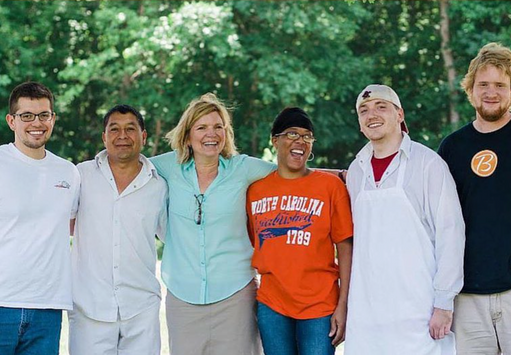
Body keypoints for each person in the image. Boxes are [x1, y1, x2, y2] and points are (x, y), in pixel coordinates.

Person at [151, 93, 276, 354]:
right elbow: (127, 168)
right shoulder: (167, 167)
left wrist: (342, 177)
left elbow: (291, 173)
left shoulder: (242, 168)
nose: (212, 133)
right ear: (187, 136)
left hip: (235, 296)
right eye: (202, 127)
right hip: (182, 298)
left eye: (218, 126)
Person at [344, 84, 465, 354]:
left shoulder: (428, 164)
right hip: (368, 315)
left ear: (400, 114)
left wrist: (444, 303)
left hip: (419, 311)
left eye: (381, 107)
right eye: (363, 110)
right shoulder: (356, 170)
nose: (371, 114)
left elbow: (451, 233)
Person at [438, 42, 511, 354]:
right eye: (483, 85)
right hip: (466, 296)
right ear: (470, 89)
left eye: (499, 85)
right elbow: (437, 221)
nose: (491, 92)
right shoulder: (452, 148)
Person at [246, 107, 353, 355]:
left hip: (320, 305)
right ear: (275, 140)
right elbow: (256, 241)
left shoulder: (330, 186)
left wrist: (343, 305)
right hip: (272, 304)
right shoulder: (256, 191)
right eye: (292, 134)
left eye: (307, 136)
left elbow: (345, 248)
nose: (300, 141)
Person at [68, 105, 167, 354]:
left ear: (143, 136)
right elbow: (64, 224)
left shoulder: (159, 185)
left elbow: (172, 237)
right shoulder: (81, 175)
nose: (122, 136)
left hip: (141, 307)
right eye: (114, 129)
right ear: (104, 137)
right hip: (89, 308)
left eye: (130, 129)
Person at [0, 82, 80, 354]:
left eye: (44, 115)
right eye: (27, 116)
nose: (37, 123)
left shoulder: (69, 173)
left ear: (53, 119)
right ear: (12, 120)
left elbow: (73, 226)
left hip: (48, 306)